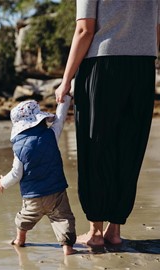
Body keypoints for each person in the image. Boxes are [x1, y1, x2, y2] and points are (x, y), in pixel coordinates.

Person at [55, 0, 160, 246]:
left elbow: (84, 31)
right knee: (129, 147)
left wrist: (66, 79)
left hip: (102, 66)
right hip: (143, 68)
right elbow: (156, 30)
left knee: (96, 147)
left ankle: (95, 231)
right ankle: (115, 230)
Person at [0, 96, 77, 255]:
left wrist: (3, 182)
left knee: (23, 220)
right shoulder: (51, 135)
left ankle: (20, 240)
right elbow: (60, 119)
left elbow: (16, 174)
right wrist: (64, 99)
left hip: (32, 197)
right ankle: (67, 248)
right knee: (64, 219)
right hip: (56, 192)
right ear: (40, 119)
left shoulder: (19, 148)